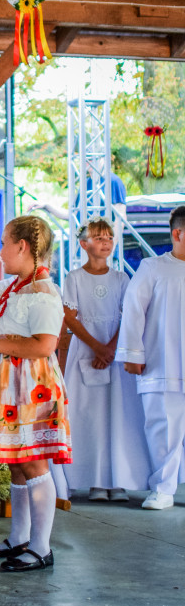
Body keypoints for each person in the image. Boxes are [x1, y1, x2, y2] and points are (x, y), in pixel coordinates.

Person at [0, 215, 71, 572]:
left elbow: (44, 345)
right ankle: (20, 537)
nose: (0, 252)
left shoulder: (43, 292)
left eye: (3, 243)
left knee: (33, 461)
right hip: (10, 385)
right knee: (17, 462)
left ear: (22, 246)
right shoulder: (10, 287)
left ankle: (42, 547)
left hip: (32, 387)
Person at [57, 218, 149, 502]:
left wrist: (110, 348)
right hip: (85, 353)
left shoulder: (122, 278)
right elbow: (70, 316)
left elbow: (129, 315)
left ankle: (116, 480)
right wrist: (97, 347)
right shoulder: (74, 278)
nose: (106, 242)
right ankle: (94, 480)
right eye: (98, 237)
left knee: (117, 415)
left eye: (109, 237)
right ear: (84, 244)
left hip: (114, 356)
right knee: (88, 416)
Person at [116, 205, 185, 511]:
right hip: (162, 361)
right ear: (178, 234)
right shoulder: (153, 268)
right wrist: (133, 353)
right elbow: (133, 311)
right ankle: (162, 488)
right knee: (164, 426)